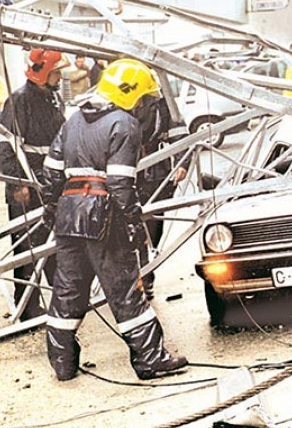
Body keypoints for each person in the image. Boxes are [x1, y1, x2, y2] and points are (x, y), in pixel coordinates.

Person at [40, 58, 188, 382]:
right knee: (125, 291)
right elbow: (121, 184)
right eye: (144, 99)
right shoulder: (125, 124)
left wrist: (52, 211)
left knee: (67, 291)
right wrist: (135, 226)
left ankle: (62, 363)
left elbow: (50, 174)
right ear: (133, 95)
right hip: (103, 217)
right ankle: (151, 358)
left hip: (69, 215)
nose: (146, 106)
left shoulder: (73, 120)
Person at [0, 49, 68, 321]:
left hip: (47, 182)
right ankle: (27, 306)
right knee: (27, 247)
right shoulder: (19, 100)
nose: (60, 76)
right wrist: (18, 184)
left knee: (51, 244)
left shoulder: (51, 97)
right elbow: (7, 143)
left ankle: (59, 299)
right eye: (56, 71)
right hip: (26, 186)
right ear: (43, 73)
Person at [137, 97, 188, 299]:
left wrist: (182, 163)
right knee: (131, 230)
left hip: (156, 176)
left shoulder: (161, 104)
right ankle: (139, 277)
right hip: (128, 175)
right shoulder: (114, 102)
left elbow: (180, 135)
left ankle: (146, 275)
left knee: (152, 228)